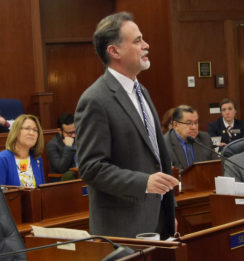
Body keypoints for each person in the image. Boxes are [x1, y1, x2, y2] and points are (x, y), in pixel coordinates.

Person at [75, 12, 178, 239]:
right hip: (123, 226)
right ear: (114, 51)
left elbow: (154, 155)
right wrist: (145, 182)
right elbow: (91, 168)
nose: (146, 45)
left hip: (158, 218)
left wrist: (167, 212)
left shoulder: (142, 92)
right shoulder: (95, 99)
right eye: (138, 40)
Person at [164, 105, 219, 170]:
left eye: (196, 122)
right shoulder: (165, 144)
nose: (194, 127)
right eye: (188, 123)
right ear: (176, 125)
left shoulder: (205, 138)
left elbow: (216, 166)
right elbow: (170, 173)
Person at [0, 114, 45, 187]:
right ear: (16, 131)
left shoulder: (37, 158)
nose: (32, 133)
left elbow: (42, 191)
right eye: (27, 128)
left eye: (35, 130)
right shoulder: (2, 159)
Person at [46, 113, 77, 180]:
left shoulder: (79, 139)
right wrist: (68, 147)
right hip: (62, 181)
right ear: (60, 131)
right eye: (70, 133)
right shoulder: (52, 145)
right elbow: (61, 168)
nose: (74, 135)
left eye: (75, 131)